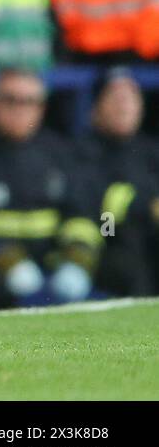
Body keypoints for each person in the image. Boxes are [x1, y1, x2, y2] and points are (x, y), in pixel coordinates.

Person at [0, 68, 98, 309]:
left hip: (54, 274)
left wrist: (77, 260)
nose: (20, 109)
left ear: (42, 108)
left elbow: (81, 218)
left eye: (30, 101)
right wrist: (7, 259)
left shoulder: (60, 153)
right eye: (10, 100)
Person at [79, 68, 159, 296]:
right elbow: (103, 215)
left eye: (131, 96)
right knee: (127, 261)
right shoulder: (82, 152)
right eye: (114, 97)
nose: (124, 105)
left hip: (151, 243)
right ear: (95, 107)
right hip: (107, 245)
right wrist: (146, 205)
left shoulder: (151, 151)